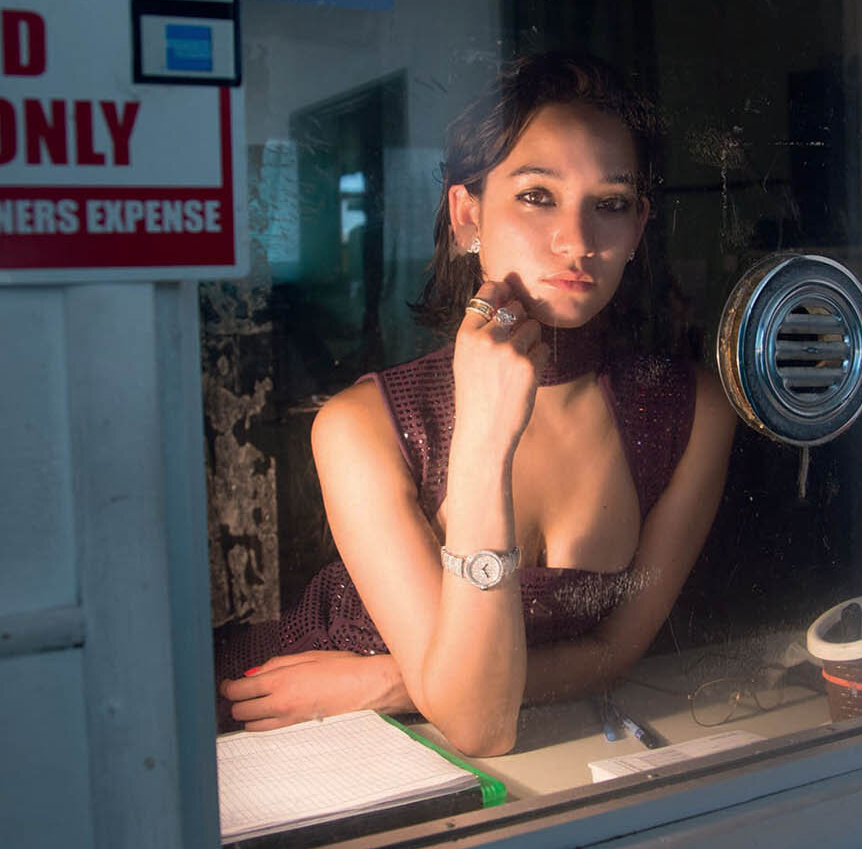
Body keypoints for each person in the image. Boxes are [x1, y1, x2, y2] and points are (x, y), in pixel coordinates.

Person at [218, 53, 735, 755]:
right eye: (536, 195)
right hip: (280, 731)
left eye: (609, 205)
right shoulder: (364, 426)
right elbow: (481, 727)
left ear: (639, 228)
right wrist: (486, 437)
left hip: (473, 742)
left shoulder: (689, 412)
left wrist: (397, 684)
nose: (578, 242)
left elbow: (611, 656)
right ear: (467, 215)